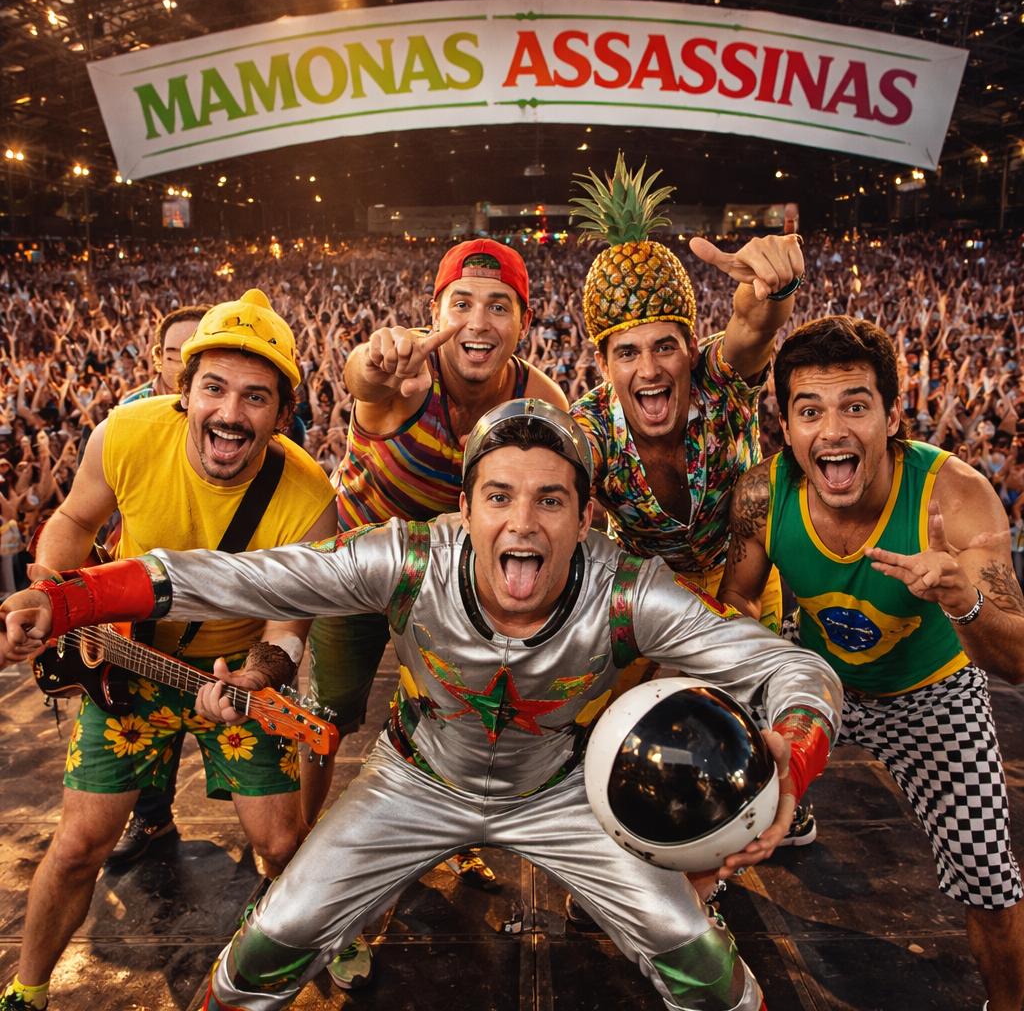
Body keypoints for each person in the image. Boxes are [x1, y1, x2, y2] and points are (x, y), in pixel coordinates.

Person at [0, 398, 841, 1011]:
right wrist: (72, 599)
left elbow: (790, 668)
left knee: (703, 964)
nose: (523, 523)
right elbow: (242, 577)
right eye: (499, 496)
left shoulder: (626, 592)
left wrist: (792, 758)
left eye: (550, 500)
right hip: (413, 781)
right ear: (463, 508)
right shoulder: (408, 561)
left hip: (560, 793)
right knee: (270, 943)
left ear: (587, 517)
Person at [0, 288, 337, 1011]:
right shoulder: (124, 434)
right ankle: (25, 991)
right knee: (78, 846)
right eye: (213, 387)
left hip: (233, 677)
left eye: (255, 397)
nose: (229, 413)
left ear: (283, 415)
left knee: (282, 846)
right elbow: (74, 519)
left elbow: (288, 629)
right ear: (184, 392)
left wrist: (255, 678)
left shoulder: (309, 498)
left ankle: (305, 942)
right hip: (125, 665)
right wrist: (51, 593)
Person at [718, 315, 1024, 1011]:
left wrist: (965, 600)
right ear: (785, 427)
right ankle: (761, 835)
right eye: (809, 411)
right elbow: (738, 600)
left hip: (934, 695)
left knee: (989, 878)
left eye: (855, 406)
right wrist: (758, 682)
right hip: (817, 680)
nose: (832, 431)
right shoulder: (762, 495)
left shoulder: (954, 496)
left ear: (892, 415)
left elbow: (1016, 659)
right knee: (707, 777)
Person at [302, 238, 567, 984]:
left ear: (524, 322)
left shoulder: (538, 403)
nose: (478, 322)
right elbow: (362, 375)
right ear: (434, 312)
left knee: (457, 724)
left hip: (447, 591)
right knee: (326, 722)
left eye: (498, 306)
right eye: (462, 304)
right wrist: (373, 358)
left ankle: (450, 839)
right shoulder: (408, 378)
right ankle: (299, 864)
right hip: (358, 572)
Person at [568, 154, 815, 847]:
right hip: (652, 593)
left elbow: (754, 326)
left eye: (665, 347)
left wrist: (773, 289)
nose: (649, 370)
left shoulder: (719, 379)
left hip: (745, 573)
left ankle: (773, 799)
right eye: (627, 353)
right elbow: (560, 469)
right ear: (603, 364)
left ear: (690, 347)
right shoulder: (592, 426)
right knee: (630, 729)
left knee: (756, 718)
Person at [108, 303, 211, 865]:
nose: (184, 365)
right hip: (142, 596)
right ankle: (151, 818)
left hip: (220, 597)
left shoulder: (245, 419)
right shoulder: (129, 416)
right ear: (159, 360)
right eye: (176, 355)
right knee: (140, 716)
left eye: (197, 354)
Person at [120, 304, 208, 404]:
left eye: (195, 358)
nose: (183, 368)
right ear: (160, 356)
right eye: (174, 359)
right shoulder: (132, 407)